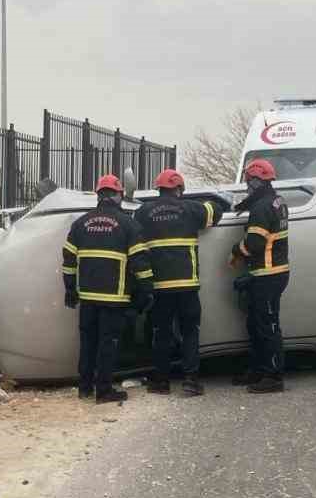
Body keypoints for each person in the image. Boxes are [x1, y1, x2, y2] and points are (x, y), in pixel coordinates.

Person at [132, 167, 225, 396]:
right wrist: (208, 201)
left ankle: (161, 381)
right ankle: (191, 381)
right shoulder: (191, 209)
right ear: (179, 189)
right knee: (190, 332)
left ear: (159, 189)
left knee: (161, 333)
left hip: (159, 287)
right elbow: (216, 211)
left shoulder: (143, 213)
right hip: (187, 286)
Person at [62, 174, 153, 404]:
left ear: (99, 195)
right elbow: (140, 263)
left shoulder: (80, 224)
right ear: (118, 195)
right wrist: (145, 292)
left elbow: (68, 260)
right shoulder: (128, 224)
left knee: (88, 342)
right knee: (108, 344)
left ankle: (84, 388)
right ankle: (103, 391)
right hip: (115, 297)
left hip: (87, 297)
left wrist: (70, 289)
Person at [230, 158, 290, 393]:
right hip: (270, 273)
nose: (247, 186)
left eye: (248, 182)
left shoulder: (262, 207)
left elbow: (254, 243)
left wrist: (236, 250)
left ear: (256, 181)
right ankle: (258, 369)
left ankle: (273, 376)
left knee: (267, 326)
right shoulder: (275, 201)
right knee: (255, 323)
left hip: (268, 274)